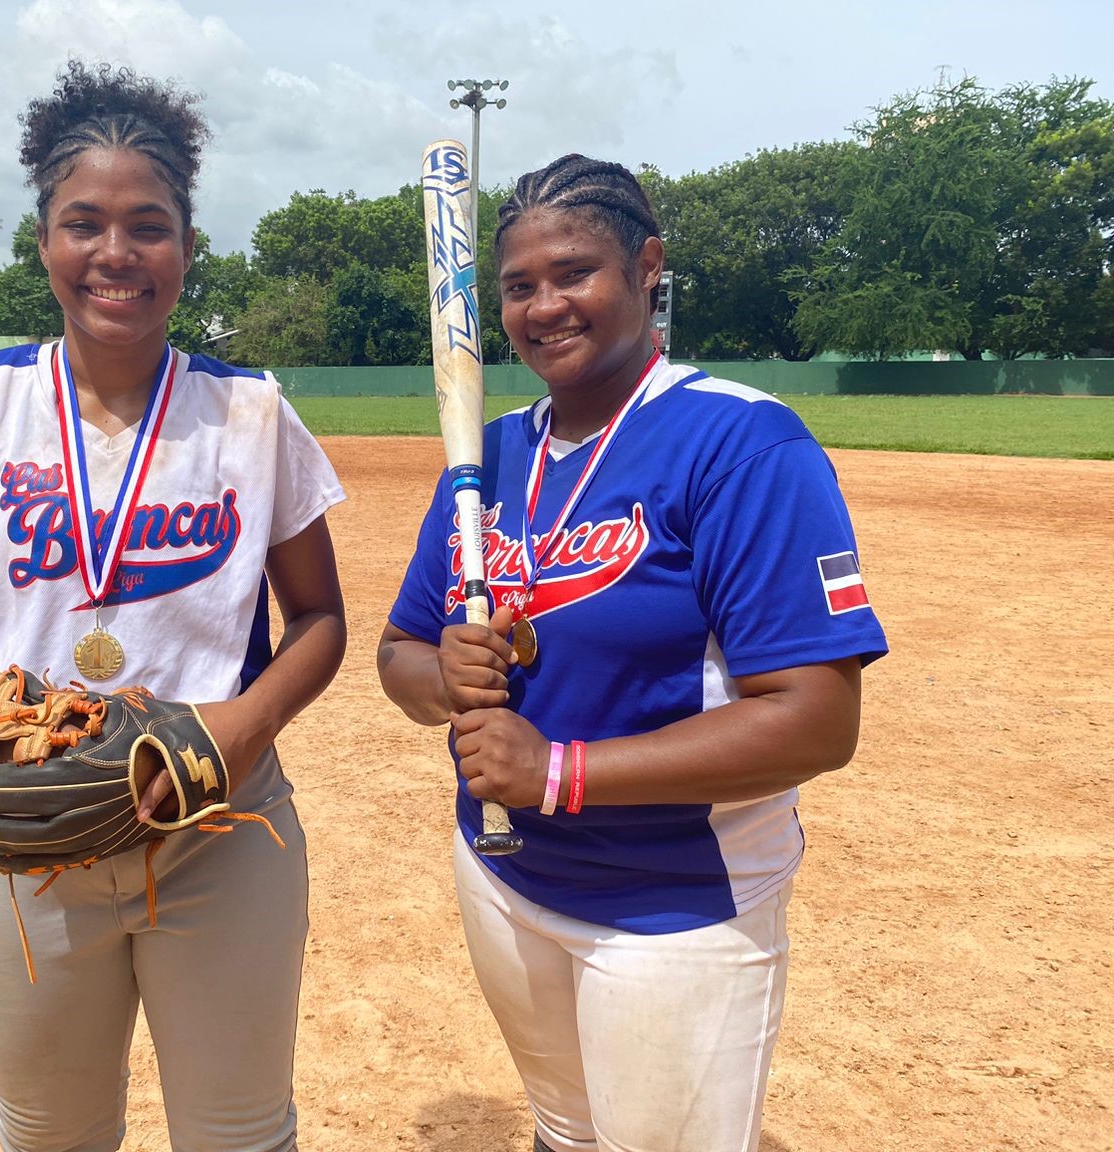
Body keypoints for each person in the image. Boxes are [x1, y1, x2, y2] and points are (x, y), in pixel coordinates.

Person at [0, 62, 347, 1152]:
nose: (115, 253)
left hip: (221, 829)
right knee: (48, 1135)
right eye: (82, 223)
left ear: (187, 246)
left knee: (239, 1133)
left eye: (149, 225)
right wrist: (7, 722)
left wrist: (239, 728)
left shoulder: (250, 412)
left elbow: (319, 619)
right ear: (41, 240)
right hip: (29, 827)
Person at [377, 154, 887, 1152]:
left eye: (574, 273)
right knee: (565, 1133)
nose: (543, 306)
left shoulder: (740, 444)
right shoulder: (484, 460)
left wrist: (557, 771)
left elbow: (816, 721)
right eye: (518, 286)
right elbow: (398, 653)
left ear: (648, 267)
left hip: (675, 902)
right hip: (506, 875)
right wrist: (440, 675)